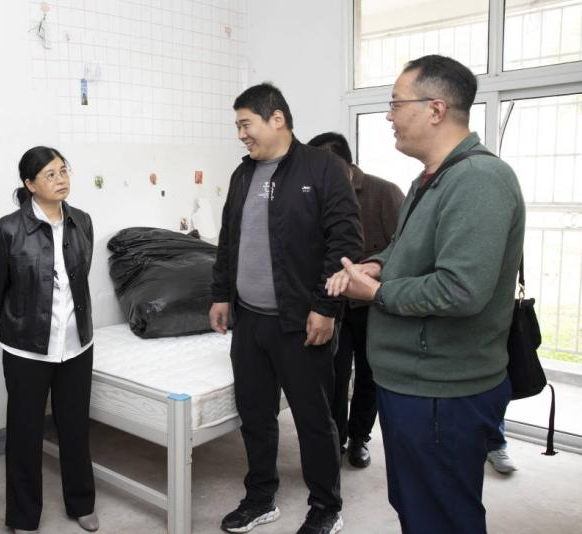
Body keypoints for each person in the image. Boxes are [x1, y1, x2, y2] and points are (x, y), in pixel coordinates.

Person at [326, 55, 526, 533]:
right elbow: (407, 248)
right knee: (416, 506)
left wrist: (377, 291)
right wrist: (379, 262)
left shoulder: (479, 180)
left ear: (436, 109)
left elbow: (461, 289)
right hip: (414, 383)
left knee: (441, 516)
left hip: (442, 390)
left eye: (396, 104)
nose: (388, 116)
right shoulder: (429, 179)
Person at [210, 84, 362, 534]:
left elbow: (345, 242)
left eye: (245, 124)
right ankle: (260, 498)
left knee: (314, 420)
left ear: (276, 118)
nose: (240, 134)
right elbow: (228, 240)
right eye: (238, 126)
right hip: (249, 320)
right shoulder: (243, 174)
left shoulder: (323, 167)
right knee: (255, 417)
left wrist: (326, 307)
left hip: (300, 321)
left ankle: (326, 507)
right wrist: (221, 294)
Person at [0, 146, 98, 534]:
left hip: (76, 344)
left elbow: (79, 279)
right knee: (25, 433)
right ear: (30, 184)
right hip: (26, 349)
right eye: (50, 174)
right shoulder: (8, 229)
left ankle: (81, 503)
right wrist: (21, 321)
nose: (61, 179)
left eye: (63, 170)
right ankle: (23, 517)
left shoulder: (82, 221)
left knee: (75, 428)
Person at [308, 132, 404, 469]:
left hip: (371, 304)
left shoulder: (385, 193)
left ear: (344, 166)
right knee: (333, 374)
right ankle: (336, 438)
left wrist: (372, 270)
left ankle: (360, 436)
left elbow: (403, 248)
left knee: (369, 373)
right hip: (332, 302)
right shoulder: (315, 195)